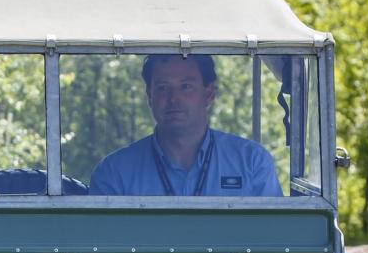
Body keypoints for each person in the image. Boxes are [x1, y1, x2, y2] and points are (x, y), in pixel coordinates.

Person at [89, 55, 283, 198]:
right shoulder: (114, 172)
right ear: (150, 96)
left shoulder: (252, 162)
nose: (174, 98)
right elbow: (102, 247)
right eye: (163, 88)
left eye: (186, 86)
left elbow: (274, 239)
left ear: (209, 94)